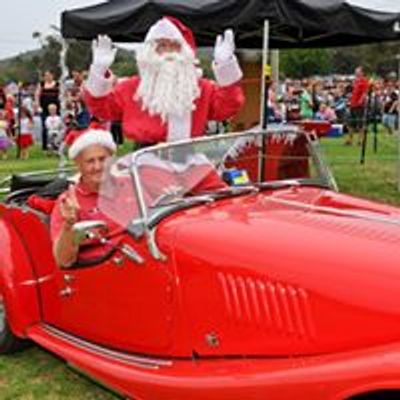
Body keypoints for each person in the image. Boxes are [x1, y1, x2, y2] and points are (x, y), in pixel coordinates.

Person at [83, 16, 245, 146]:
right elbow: (101, 109)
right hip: (144, 161)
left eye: (174, 45)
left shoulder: (201, 88)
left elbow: (227, 107)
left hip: (189, 161)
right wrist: (98, 70)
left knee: (226, 188)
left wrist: (225, 66)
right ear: (150, 51)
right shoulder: (131, 88)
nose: (168, 52)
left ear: (185, 51)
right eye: (161, 45)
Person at [50, 128, 119, 268]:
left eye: (102, 159)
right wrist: (69, 224)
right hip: (100, 270)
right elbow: (63, 261)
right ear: (79, 165)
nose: (98, 166)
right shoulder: (68, 202)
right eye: (90, 161)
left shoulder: (131, 185)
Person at [35, 70, 60, 150]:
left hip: (56, 108)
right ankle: (45, 145)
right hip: (44, 109)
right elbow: (37, 95)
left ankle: (56, 144)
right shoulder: (41, 85)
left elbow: (62, 94)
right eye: (46, 75)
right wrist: (38, 106)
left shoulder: (57, 84)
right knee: (45, 126)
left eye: (49, 75)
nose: (47, 77)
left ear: (52, 76)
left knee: (57, 126)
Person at [346, 66, 369, 145]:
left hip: (359, 105)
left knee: (360, 124)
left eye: (357, 71)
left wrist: (361, 100)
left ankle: (360, 141)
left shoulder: (364, 81)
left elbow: (365, 93)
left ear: (362, 72)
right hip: (352, 104)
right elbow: (354, 92)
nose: (356, 72)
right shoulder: (355, 81)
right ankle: (349, 140)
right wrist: (350, 98)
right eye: (355, 71)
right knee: (350, 123)